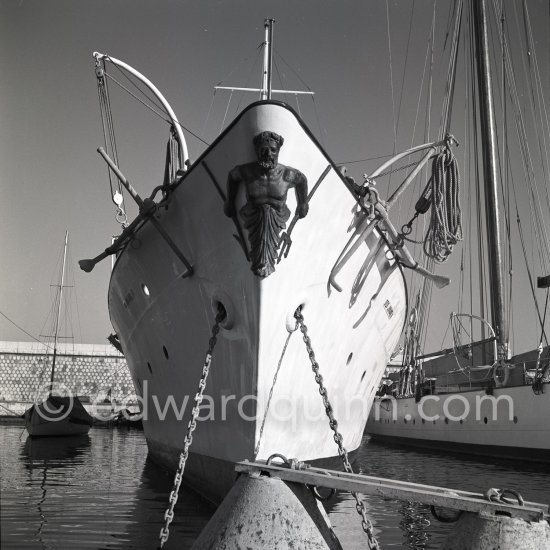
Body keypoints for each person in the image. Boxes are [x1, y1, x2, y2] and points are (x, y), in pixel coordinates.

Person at [224, 131, 308, 277]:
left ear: (278, 151)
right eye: (264, 149)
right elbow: (232, 176)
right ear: (257, 151)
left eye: (273, 150)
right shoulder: (248, 171)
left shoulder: (287, 174)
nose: (268, 154)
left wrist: (303, 203)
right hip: (253, 216)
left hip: (277, 218)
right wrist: (229, 201)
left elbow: (302, 180)